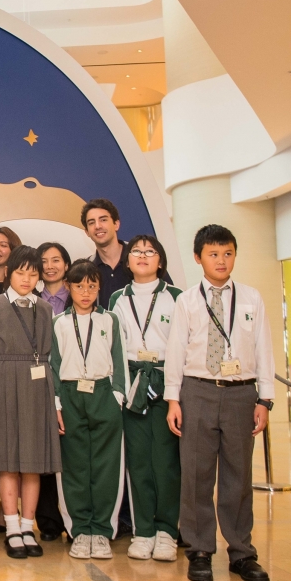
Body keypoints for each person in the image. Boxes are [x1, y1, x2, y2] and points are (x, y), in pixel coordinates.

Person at [165, 225, 274, 581]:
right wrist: (173, 399)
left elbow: (264, 348)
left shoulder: (251, 298)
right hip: (197, 390)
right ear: (198, 258)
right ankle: (199, 549)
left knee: (238, 476)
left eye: (227, 253)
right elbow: (176, 351)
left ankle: (242, 552)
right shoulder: (187, 300)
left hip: (241, 392)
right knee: (196, 474)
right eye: (213, 254)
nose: (221, 260)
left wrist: (265, 398)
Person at [0, 245, 63, 560]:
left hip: (38, 386)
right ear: (9, 274)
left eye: (33, 273)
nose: (27, 278)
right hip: (5, 382)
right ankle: (12, 527)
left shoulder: (45, 308)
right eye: (20, 272)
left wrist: (55, 404)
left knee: (33, 462)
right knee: (9, 461)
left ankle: (28, 527)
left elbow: (51, 358)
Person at [109, 235, 182, 562]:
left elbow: (183, 348)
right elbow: (114, 348)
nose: (142, 256)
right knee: (138, 461)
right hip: (134, 382)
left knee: (166, 461)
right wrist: (120, 390)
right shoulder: (117, 299)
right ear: (128, 261)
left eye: (150, 251)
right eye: (136, 251)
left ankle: (167, 531)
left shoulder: (177, 297)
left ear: (160, 261)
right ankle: (144, 531)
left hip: (167, 382)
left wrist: (175, 392)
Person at [50, 259, 128, 560]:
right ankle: (80, 530)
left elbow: (119, 359)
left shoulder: (110, 320)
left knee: (107, 465)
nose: (85, 292)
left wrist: (118, 395)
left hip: (103, 393)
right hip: (70, 395)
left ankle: (102, 530)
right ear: (69, 286)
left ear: (99, 288)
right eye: (79, 286)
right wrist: (57, 402)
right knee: (74, 465)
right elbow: (53, 365)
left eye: (92, 286)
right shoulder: (59, 322)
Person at [33, 242, 72, 542]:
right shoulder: (28, 300)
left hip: (71, 382)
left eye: (56, 260)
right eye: (43, 261)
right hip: (37, 382)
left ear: (66, 265)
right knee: (42, 453)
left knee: (70, 454)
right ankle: (48, 521)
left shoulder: (81, 296)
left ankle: (76, 520)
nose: (50, 266)